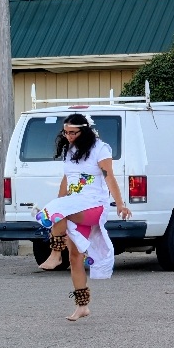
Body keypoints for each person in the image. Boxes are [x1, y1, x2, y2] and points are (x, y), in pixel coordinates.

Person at [36, 113, 132, 321]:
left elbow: (109, 177)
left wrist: (120, 204)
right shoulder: (70, 150)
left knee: (56, 213)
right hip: (74, 203)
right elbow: (67, 178)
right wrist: (60, 201)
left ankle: (55, 254)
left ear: (84, 130)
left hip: (94, 204)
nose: (68, 136)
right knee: (75, 257)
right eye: (66, 132)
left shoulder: (100, 149)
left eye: (73, 133)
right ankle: (82, 306)